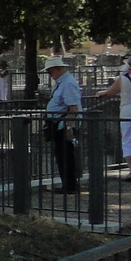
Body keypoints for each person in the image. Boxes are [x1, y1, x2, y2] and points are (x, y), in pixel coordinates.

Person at [43, 55, 82, 193]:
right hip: (59, 122)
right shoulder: (63, 82)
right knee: (62, 155)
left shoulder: (67, 84)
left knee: (65, 156)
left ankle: (69, 185)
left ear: (58, 69)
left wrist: (69, 127)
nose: (50, 75)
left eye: (50, 72)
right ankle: (68, 184)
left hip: (63, 124)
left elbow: (73, 108)